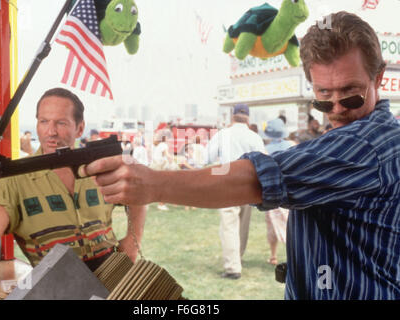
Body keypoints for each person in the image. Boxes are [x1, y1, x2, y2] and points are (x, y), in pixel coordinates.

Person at [82, 12, 400, 299]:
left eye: (350, 93)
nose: (338, 109)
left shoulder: (371, 145)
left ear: (379, 77)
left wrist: (155, 183)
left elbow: (257, 178)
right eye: (324, 97)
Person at [0, 87, 146, 273]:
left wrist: (133, 240)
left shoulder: (99, 166)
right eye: (43, 121)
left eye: (61, 123)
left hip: (116, 275)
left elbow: (138, 189)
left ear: (80, 128)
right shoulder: (14, 177)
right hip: (61, 287)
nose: (50, 131)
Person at [207, 104, 266, 280]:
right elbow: (264, 159)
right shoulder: (254, 137)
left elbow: (208, 157)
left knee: (229, 225)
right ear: (248, 117)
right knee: (243, 223)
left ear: (233, 116)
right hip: (249, 183)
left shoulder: (223, 134)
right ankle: (237, 258)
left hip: (228, 181)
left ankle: (233, 267)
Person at [262, 118, 292, 265]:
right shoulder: (293, 146)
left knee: (272, 225)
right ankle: (293, 257)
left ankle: (273, 256)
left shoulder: (264, 150)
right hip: (291, 192)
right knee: (291, 226)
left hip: (271, 192)